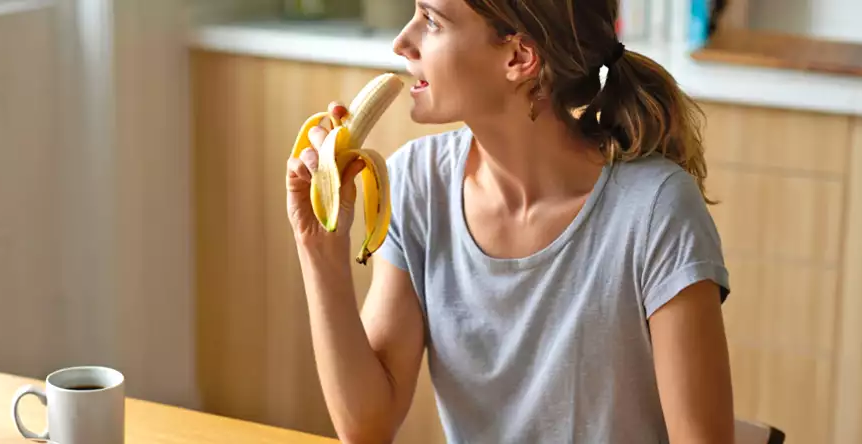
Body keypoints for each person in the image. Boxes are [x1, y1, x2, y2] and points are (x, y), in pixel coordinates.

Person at [284, 0, 735, 442]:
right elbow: (367, 426)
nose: (402, 42)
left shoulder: (656, 210)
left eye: (431, 20)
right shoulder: (415, 185)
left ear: (519, 57)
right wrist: (319, 248)